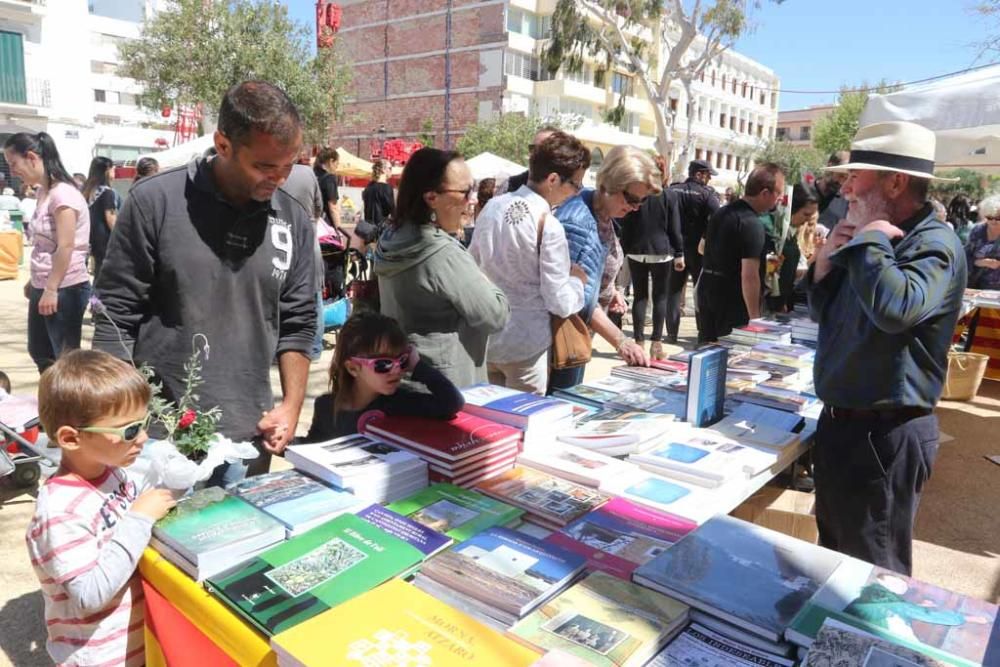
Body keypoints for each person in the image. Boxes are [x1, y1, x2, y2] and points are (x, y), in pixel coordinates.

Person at [93, 81, 317, 484]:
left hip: (251, 438)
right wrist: (119, 421)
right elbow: (114, 318)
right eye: (266, 167)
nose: (280, 179)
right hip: (159, 440)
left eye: (289, 166)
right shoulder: (154, 201)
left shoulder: (293, 219)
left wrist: (291, 405)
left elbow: (299, 322)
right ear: (224, 144)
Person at [806, 121, 967, 574]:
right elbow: (826, 313)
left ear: (895, 182)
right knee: (834, 562)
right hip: (843, 427)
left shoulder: (935, 244)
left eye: (858, 177)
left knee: (873, 576)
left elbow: (896, 308)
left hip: (884, 434)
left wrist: (871, 239)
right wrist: (823, 266)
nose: (847, 187)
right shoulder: (866, 235)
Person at [26, 349, 176, 667]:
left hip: (137, 642)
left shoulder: (113, 473)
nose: (144, 437)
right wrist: (139, 518)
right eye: (129, 430)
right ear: (70, 438)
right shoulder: (61, 513)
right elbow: (88, 597)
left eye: (144, 423)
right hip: (102, 657)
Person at [374, 147, 509, 387]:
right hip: (446, 388)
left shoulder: (391, 236)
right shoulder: (443, 254)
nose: (473, 199)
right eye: (466, 191)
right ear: (431, 198)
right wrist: (482, 277)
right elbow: (495, 315)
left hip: (403, 379)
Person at [470, 131, 590, 394]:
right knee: (523, 422)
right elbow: (558, 301)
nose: (575, 192)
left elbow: (472, 267)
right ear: (553, 179)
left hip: (487, 336)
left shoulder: (492, 207)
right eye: (575, 184)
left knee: (488, 423)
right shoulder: (549, 226)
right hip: (527, 344)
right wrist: (577, 283)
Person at [549, 145, 658, 391]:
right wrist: (622, 342)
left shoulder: (602, 212)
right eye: (631, 199)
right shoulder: (578, 222)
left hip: (579, 333)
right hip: (565, 338)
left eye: (641, 201)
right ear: (609, 185)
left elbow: (595, 271)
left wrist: (611, 291)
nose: (635, 207)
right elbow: (578, 301)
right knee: (561, 403)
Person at [4, 132, 92, 373]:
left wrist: (51, 287)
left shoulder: (63, 195)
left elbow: (66, 246)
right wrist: (37, 281)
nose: (12, 171)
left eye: (14, 164)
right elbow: (46, 245)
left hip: (65, 287)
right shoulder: (45, 192)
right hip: (47, 284)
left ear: (31, 157)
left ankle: (71, 407)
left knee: (64, 359)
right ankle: (54, 404)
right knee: (41, 351)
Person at [305, 312, 465, 440]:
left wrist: (417, 367)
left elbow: (451, 403)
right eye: (383, 364)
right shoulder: (326, 407)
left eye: (402, 361)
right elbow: (311, 448)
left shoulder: (399, 403)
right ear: (353, 368)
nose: (396, 370)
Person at [697, 163, 785, 341]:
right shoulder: (751, 224)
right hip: (732, 300)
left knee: (708, 351)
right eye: (779, 194)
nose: (780, 199)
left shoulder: (721, 213)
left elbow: (701, 247)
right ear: (765, 193)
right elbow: (749, 276)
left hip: (708, 290)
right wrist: (755, 319)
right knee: (733, 356)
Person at [621, 162, 683, 359]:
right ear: (664, 175)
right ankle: (656, 343)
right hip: (661, 251)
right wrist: (680, 252)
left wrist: (625, 248)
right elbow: (675, 227)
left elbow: (626, 223)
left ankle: (639, 341)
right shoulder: (669, 195)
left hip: (636, 250)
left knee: (639, 296)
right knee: (660, 297)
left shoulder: (637, 192)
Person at [666, 159, 721, 343]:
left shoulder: (672, 190)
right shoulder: (707, 195)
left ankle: (671, 333)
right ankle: (701, 330)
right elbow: (717, 218)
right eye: (708, 175)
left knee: (673, 291)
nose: (709, 180)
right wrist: (706, 237)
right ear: (698, 174)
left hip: (674, 249)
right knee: (701, 292)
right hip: (698, 250)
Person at [767, 182, 819, 314]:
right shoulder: (772, 232)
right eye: (806, 214)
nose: (808, 221)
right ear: (792, 208)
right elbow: (768, 273)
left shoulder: (790, 234)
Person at [82, 156, 119, 280]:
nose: (115, 173)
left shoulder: (85, 190)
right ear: (106, 171)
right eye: (113, 170)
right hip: (103, 239)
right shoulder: (108, 192)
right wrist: (119, 236)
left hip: (86, 236)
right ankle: (96, 299)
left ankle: (90, 297)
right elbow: (110, 218)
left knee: (83, 271)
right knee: (101, 273)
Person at [504, 126, 559, 194]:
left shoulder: (568, 186)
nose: (536, 154)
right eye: (533, 148)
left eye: (543, 149)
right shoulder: (513, 183)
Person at [965, 194, 1000, 289]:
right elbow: (965, 256)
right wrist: (979, 262)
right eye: (990, 217)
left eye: (998, 218)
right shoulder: (977, 231)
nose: (994, 221)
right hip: (976, 287)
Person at [358, 159, 394, 243]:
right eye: (390, 168)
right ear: (383, 170)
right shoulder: (386, 188)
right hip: (381, 230)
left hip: (367, 228)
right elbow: (392, 210)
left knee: (368, 253)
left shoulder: (369, 187)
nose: (391, 171)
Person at [816, 150, 850, 232]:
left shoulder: (846, 202)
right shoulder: (804, 192)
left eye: (846, 178)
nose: (842, 182)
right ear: (829, 167)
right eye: (840, 175)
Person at [313, 147, 342, 230]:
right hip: (325, 226)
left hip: (311, 222)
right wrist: (339, 230)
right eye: (337, 163)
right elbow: (333, 207)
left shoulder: (312, 174)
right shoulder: (329, 178)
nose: (337, 166)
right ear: (331, 161)